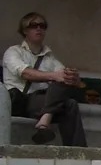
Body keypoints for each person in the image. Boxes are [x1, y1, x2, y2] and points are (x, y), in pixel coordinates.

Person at [3, 13, 87, 146]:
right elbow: (25, 74)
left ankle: (77, 151)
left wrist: (73, 78)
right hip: (19, 100)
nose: (39, 29)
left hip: (40, 102)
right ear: (25, 30)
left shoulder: (50, 59)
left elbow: (64, 78)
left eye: (42, 26)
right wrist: (54, 76)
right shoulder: (13, 52)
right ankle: (47, 116)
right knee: (60, 81)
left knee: (70, 103)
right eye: (33, 25)